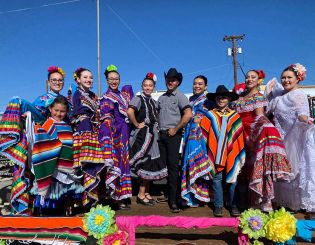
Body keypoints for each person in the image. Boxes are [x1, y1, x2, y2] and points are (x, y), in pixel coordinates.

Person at [233, 70, 292, 212]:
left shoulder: (258, 97)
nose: (249, 79)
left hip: (251, 133)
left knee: (254, 166)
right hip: (238, 132)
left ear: (258, 80)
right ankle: (241, 201)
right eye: (247, 77)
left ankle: (260, 202)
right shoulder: (238, 98)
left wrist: (263, 130)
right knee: (240, 167)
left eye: (253, 77)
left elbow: (259, 117)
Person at [266, 63, 315, 213]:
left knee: (294, 168)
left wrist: (306, 119)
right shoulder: (280, 96)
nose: (286, 80)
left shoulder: (298, 95)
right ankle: (284, 201)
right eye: (284, 77)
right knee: (283, 169)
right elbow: (269, 108)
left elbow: (301, 113)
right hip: (280, 137)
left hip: (295, 137)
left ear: (297, 79)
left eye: (289, 77)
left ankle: (296, 202)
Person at [0, 66, 66, 163]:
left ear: (63, 82)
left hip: (55, 125)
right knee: (16, 100)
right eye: (54, 80)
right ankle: (9, 135)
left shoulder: (66, 100)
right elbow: (34, 108)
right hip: (41, 121)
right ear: (48, 82)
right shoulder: (42, 98)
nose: (57, 82)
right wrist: (28, 113)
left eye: (60, 80)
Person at [31, 96, 83, 216]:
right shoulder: (46, 125)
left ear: (67, 111)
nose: (59, 114)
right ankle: (47, 230)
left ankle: (60, 230)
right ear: (50, 109)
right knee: (49, 205)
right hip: (51, 171)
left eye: (62, 111)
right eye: (56, 110)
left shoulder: (68, 127)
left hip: (65, 171)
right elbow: (41, 147)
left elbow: (70, 147)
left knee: (61, 203)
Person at [199, 85, 245, 217]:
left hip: (232, 152)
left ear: (229, 99)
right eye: (219, 97)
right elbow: (203, 134)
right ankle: (218, 205)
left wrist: (239, 153)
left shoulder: (234, 116)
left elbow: (238, 136)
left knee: (233, 178)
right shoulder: (210, 115)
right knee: (217, 179)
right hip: (214, 153)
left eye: (224, 97)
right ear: (215, 99)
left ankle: (233, 205)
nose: (221, 99)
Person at [127, 72, 168, 206]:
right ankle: (140, 193)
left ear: (154, 87)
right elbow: (130, 112)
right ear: (142, 86)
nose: (148, 87)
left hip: (152, 135)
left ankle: (147, 192)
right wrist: (136, 124)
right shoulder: (138, 99)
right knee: (144, 162)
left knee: (151, 163)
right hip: (143, 135)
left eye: (150, 85)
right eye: (145, 85)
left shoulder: (153, 102)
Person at [99, 65, 133, 210]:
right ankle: (115, 197)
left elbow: (129, 91)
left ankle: (124, 196)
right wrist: (110, 130)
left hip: (125, 133)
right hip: (115, 133)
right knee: (116, 163)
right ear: (107, 80)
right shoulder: (106, 97)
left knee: (125, 163)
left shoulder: (123, 95)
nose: (114, 81)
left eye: (116, 79)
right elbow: (106, 116)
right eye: (111, 79)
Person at [158, 68, 192, 213]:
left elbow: (188, 114)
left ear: (177, 82)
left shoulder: (181, 96)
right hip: (162, 135)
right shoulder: (161, 98)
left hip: (173, 135)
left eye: (173, 80)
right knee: (163, 166)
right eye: (168, 80)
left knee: (173, 167)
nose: (170, 82)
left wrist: (176, 129)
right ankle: (167, 194)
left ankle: (174, 200)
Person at [71, 67, 105, 207]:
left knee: (93, 164)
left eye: (90, 77)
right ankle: (83, 201)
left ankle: (91, 198)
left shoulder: (92, 95)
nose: (88, 80)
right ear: (78, 79)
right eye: (85, 77)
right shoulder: (75, 94)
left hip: (93, 131)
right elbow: (73, 114)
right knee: (86, 164)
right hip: (83, 131)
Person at [180, 75, 215, 207]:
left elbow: (213, 117)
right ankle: (190, 195)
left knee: (198, 163)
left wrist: (201, 119)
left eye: (200, 84)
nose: (197, 86)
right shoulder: (190, 100)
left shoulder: (208, 101)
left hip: (200, 135)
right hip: (189, 133)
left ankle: (200, 196)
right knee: (189, 162)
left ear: (206, 86)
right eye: (195, 83)